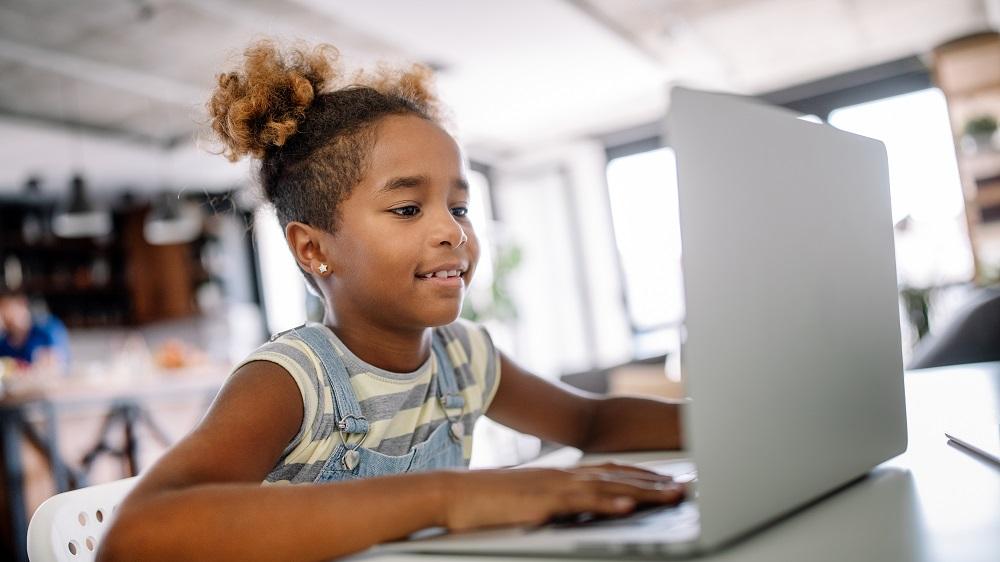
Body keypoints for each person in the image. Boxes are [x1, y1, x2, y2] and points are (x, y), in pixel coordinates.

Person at [99, 40, 686, 561]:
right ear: (312, 249)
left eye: (459, 207)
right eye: (407, 209)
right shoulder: (292, 381)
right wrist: (444, 497)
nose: (453, 232)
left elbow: (591, 421)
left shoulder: (462, 358)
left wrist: (742, 424)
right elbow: (136, 537)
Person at [0, 288, 69, 369]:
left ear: (22, 304)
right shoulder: (4, 342)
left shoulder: (46, 328)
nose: (4, 314)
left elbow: (57, 364)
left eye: (6, 308)